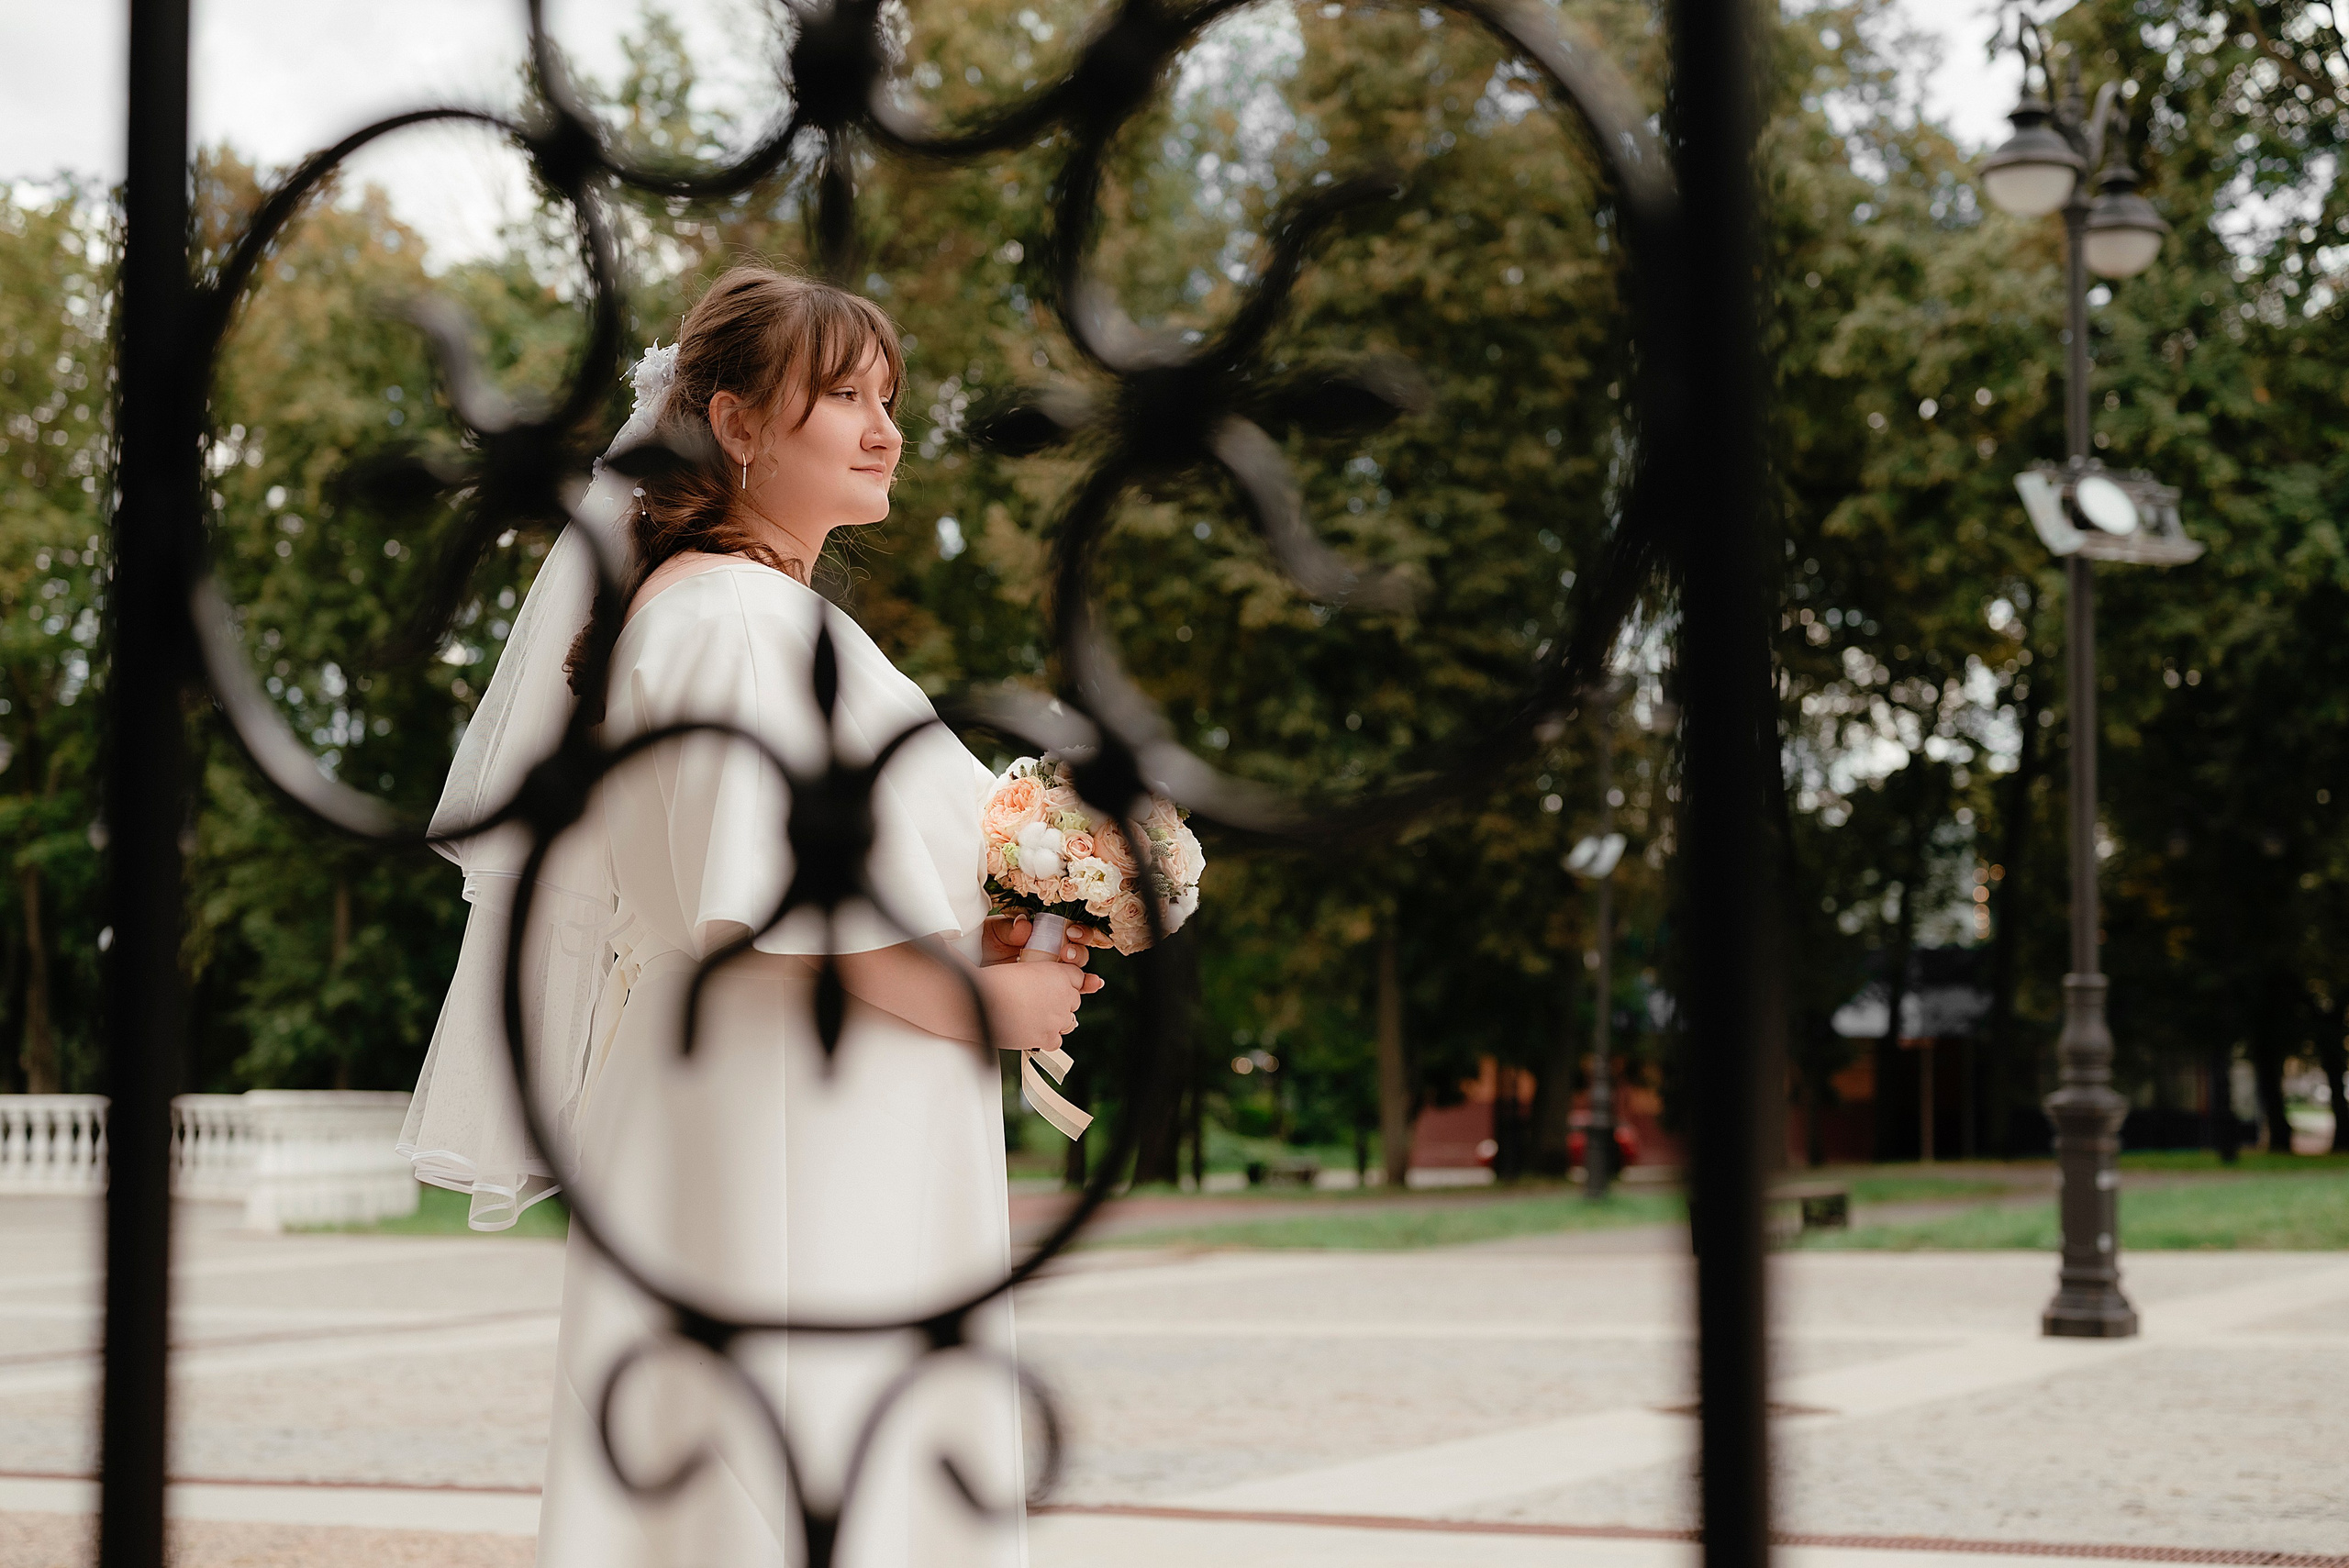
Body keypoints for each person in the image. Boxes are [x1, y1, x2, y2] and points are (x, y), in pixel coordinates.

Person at [398, 265, 1098, 1567]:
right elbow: (770, 906)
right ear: (732, 422)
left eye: (889, 397)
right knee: (786, 1462)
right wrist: (990, 994)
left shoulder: (755, 615)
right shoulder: (727, 621)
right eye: (843, 398)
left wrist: (1043, 910)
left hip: (797, 1098)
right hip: (784, 1110)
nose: (885, 428)